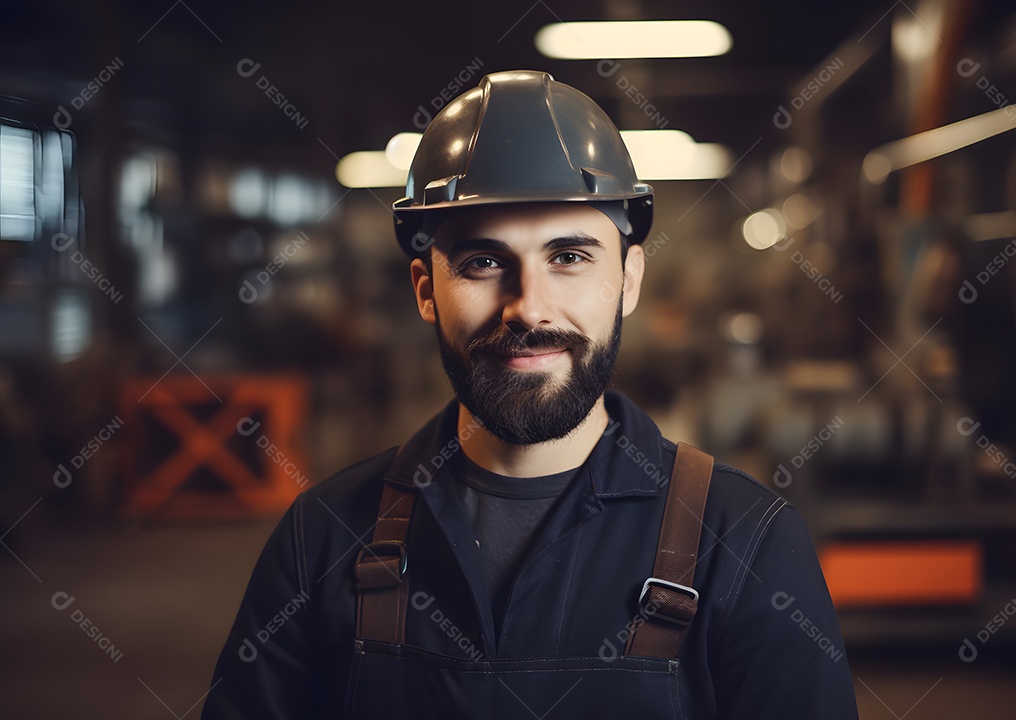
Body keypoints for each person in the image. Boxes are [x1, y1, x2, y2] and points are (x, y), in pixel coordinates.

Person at [201, 70, 859, 719]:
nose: (528, 308)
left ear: (628, 280)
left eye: (569, 257)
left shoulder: (745, 546)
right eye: (484, 262)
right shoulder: (324, 539)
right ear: (426, 290)